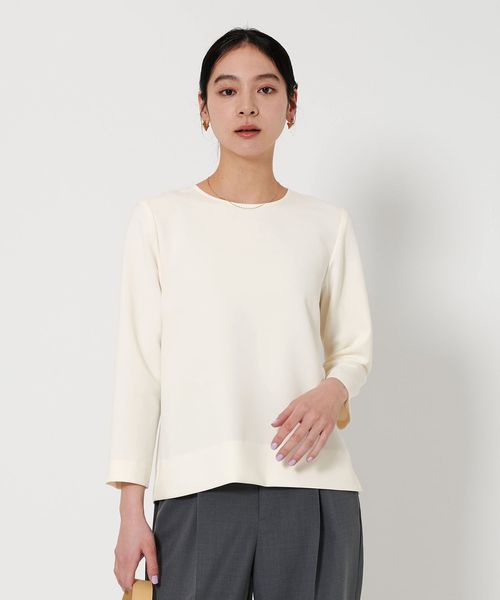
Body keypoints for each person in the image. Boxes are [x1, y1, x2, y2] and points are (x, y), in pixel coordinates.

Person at [106, 27, 373, 600]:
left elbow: (353, 348)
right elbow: (139, 370)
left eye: (266, 89)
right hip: (197, 490)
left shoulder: (327, 225)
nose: (247, 106)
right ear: (203, 108)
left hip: (314, 485)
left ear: (292, 106)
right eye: (227, 91)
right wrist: (131, 511)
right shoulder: (161, 220)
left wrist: (333, 391)